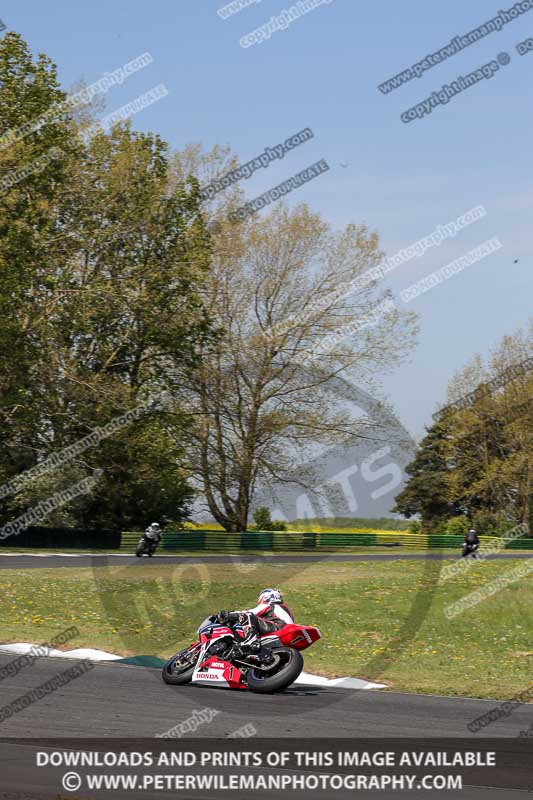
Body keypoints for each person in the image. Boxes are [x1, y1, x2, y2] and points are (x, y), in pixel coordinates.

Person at [212, 588, 294, 663]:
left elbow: (248, 613)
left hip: (276, 627)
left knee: (247, 615)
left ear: (266, 597)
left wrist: (228, 614)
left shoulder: (271, 605)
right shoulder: (285, 609)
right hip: (282, 632)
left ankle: (251, 640)